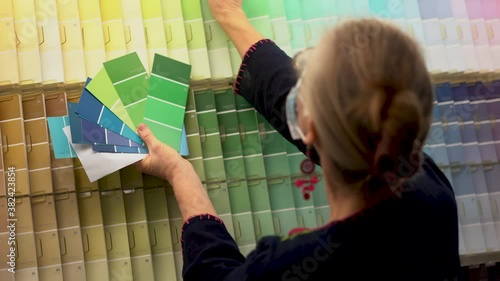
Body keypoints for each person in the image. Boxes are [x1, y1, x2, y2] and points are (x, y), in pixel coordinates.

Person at [135, 1, 461, 280]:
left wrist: (179, 172)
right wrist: (230, 15)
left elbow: (212, 274)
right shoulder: (433, 198)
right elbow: (323, 108)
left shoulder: (288, 267)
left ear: (310, 127)